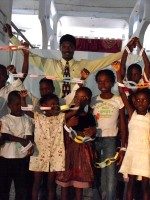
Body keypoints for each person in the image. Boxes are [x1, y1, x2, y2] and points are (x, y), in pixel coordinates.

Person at [3, 23, 125, 98]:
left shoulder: (83, 65)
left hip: (75, 105)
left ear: (74, 49)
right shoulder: (49, 64)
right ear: (60, 48)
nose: (67, 49)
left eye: (70, 46)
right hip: (54, 105)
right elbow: (27, 54)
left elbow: (106, 60)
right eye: (64, 46)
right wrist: (11, 37)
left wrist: (126, 51)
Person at [20, 90, 79, 200]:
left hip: (55, 155)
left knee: (51, 184)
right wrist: (23, 98)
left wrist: (77, 103)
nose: (56, 107)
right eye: (53, 104)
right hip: (39, 155)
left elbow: (74, 112)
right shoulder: (38, 117)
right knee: (36, 183)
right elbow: (24, 109)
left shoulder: (60, 117)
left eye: (57, 104)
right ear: (43, 106)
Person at [112, 61, 150, 200]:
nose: (141, 102)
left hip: (146, 155)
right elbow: (122, 91)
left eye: (144, 100)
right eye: (138, 100)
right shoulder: (131, 113)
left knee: (145, 186)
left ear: (149, 102)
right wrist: (117, 72)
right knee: (131, 185)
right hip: (132, 153)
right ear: (133, 101)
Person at [56, 86, 97, 200]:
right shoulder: (67, 112)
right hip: (68, 152)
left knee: (79, 183)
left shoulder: (89, 116)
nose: (79, 100)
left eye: (83, 98)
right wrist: (68, 125)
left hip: (82, 155)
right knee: (65, 181)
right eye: (77, 97)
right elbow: (57, 128)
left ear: (88, 100)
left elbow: (91, 134)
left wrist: (92, 132)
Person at [91, 69, 127, 200]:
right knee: (96, 173)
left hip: (111, 140)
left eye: (106, 81)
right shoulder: (93, 100)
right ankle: (98, 196)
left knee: (110, 174)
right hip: (95, 140)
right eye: (100, 81)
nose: (103, 84)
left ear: (112, 83)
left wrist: (123, 146)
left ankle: (111, 197)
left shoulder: (118, 100)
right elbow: (90, 121)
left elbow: (122, 123)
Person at [0, 90, 33, 200]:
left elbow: (28, 137)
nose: (19, 107)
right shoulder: (4, 119)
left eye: (21, 104)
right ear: (9, 105)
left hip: (21, 159)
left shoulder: (26, 120)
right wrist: (21, 140)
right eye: (16, 104)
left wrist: (27, 143)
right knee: (4, 189)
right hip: (5, 159)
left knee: (21, 189)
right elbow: (5, 135)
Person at [0, 42, 29, 117]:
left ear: (6, 78)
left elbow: (22, 77)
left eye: (2, 74)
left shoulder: (9, 89)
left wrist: (26, 56)